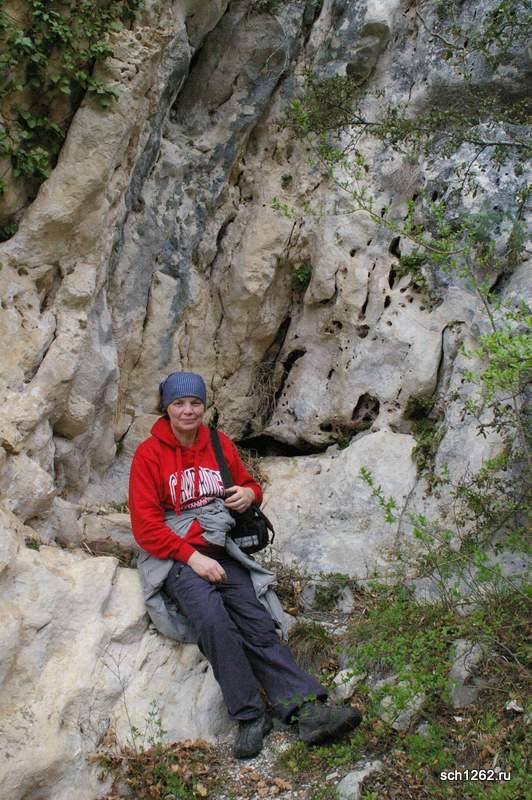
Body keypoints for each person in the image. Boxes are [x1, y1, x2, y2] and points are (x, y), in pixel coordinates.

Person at [129, 371, 362, 758]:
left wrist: (248, 495)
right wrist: (192, 558)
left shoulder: (218, 443)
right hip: (180, 558)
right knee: (214, 621)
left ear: (204, 405)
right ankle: (250, 716)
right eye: (178, 403)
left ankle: (305, 709)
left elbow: (250, 485)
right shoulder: (149, 455)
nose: (188, 410)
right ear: (166, 408)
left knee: (256, 621)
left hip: (223, 550)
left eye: (195, 403)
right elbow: (145, 526)